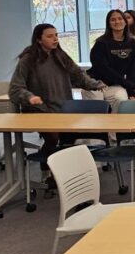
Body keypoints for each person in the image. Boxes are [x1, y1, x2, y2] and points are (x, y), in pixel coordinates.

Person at [9, 24, 106, 166]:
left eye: (56, 35)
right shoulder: (28, 59)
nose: (55, 39)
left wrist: (96, 84)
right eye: (49, 36)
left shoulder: (61, 56)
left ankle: (60, 168)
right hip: (40, 111)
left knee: (71, 137)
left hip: (63, 109)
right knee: (53, 138)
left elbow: (79, 76)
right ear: (39, 39)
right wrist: (29, 97)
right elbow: (15, 88)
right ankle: (48, 167)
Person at [86, 9, 135, 111]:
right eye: (113, 20)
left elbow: (132, 66)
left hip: (115, 84)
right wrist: (126, 84)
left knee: (121, 100)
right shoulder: (101, 43)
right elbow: (103, 68)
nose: (117, 22)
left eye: (120, 19)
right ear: (109, 24)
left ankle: (116, 126)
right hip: (95, 83)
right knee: (97, 105)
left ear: (125, 22)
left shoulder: (131, 42)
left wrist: (132, 89)